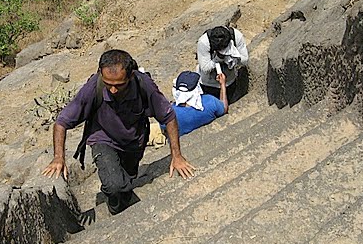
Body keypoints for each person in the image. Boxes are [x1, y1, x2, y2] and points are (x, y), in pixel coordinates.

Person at [42, 49, 195, 215]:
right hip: (103, 139)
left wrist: (177, 156)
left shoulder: (144, 85)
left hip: (134, 142)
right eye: (109, 84)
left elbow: (168, 117)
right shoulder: (94, 88)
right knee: (115, 185)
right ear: (101, 73)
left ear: (130, 76)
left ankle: (122, 200)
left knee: (127, 181)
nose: (113, 90)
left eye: (119, 85)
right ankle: (115, 209)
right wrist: (58, 157)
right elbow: (62, 121)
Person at [196, 25, 248, 104]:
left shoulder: (236, 36)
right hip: (208, 85)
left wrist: (233, 57)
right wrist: (219, 58)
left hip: (230, 81)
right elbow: (205, 68)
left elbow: (245, 60)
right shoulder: (204, 42)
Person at [168, 70, 228, 136]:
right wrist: (222, 84)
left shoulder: (170, 112)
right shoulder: (210, 101)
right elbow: (224, 108)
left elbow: (164, 127)